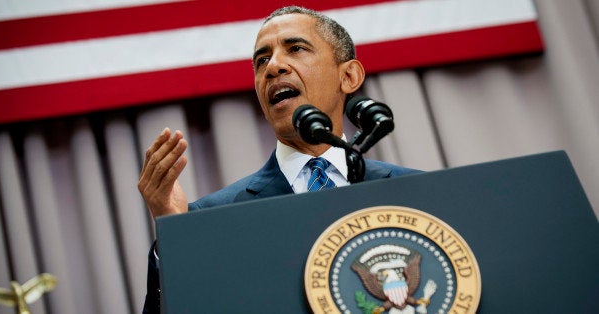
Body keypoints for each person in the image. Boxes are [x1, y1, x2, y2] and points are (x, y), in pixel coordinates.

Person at [138, 6, 420, 313]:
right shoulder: (211, 219)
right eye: (261, 61)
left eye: (295, 48)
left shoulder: (414, 192)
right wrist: (176, 237)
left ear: (349, 76)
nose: (273, 67)